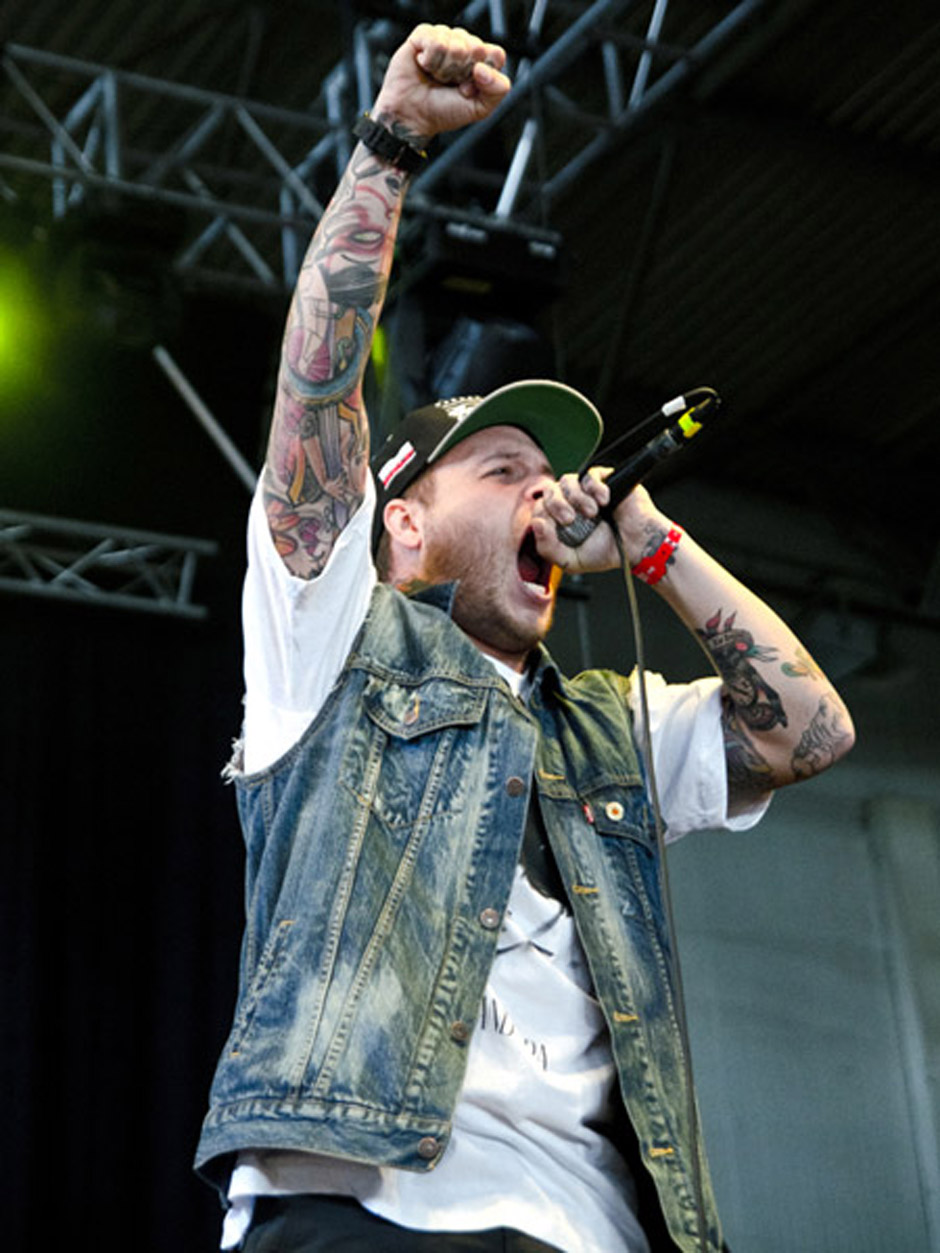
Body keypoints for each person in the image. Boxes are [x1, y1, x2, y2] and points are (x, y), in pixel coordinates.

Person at [195, 24, 855, 1253]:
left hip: (589, 1228)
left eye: (548, 473)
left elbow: (810, 731)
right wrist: (390, 146)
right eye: (501, 469)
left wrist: (647, 538)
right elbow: (314, 397)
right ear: (402, 521)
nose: (540, 491)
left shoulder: (606, 724)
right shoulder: (331, 645)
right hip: (363, 1203)